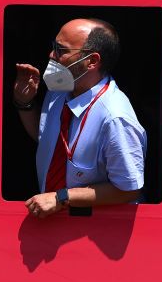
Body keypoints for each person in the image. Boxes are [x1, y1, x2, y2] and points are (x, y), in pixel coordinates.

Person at [13, 18, 146, 219]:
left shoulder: (115, 118)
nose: (51, 55)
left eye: (61, 50)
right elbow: (47, 143)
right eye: (53, 47)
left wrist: (61, 197)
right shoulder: (59, 89)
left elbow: (129, 188)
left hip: (95, 232)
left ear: (92, 61)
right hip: (54, 225)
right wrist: (25, 102)